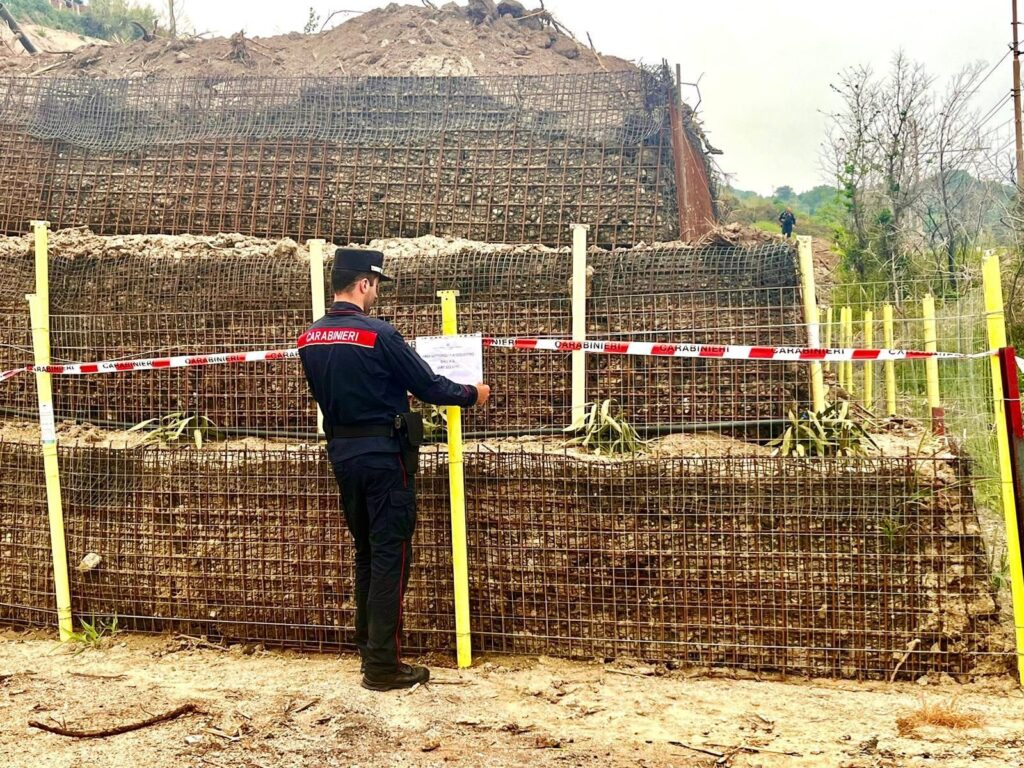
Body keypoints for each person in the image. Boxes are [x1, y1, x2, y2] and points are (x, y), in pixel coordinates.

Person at [298, 247, 491, 692]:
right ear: (364, 283)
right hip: (386, 459)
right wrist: (471, 393)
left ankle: (368, 646)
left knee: (366, 551)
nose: (377, 293)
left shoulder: (309, 338)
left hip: (343, 456)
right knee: (391, 556)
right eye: (376, 285)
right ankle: (383, 667)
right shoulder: (378, 333)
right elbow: (427, 385)